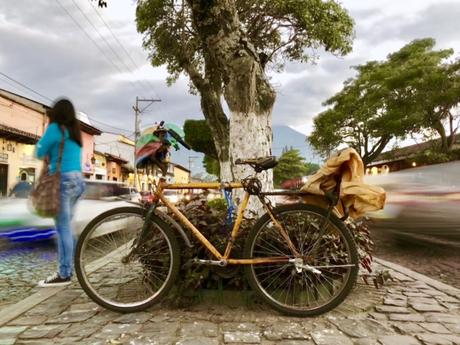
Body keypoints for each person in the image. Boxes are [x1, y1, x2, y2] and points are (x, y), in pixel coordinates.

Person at [35, 98, 85, 287]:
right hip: (78, 181)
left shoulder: (55, 128)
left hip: (61, 181)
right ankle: (69, 269)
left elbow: (39, 153)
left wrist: (48, 130)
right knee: (67, 227)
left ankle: (64, 273)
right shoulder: (75, 132)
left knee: (63, 228)